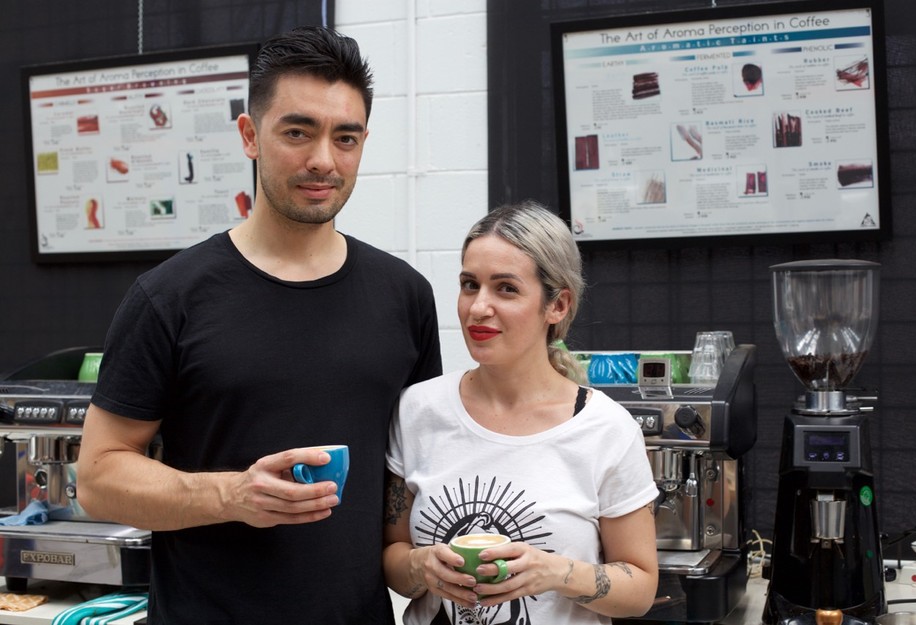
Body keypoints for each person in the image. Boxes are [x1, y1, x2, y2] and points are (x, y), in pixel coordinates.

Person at [76, 25, 442, 625]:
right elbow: (97, 477)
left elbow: (410, 470)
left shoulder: (404, 295)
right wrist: (232, 495)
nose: (323, 159)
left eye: (345, 138)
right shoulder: (169, 296)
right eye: (297, 132)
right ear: (250, 135)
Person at [383, 201, 659, 625]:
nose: (478, 307)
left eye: (506, 288)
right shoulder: (418, 410)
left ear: (558, 305)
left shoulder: (606, 429)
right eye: (469, 284)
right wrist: (422, 568)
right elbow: (395, 561)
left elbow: (639, 589)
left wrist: (554, 572)